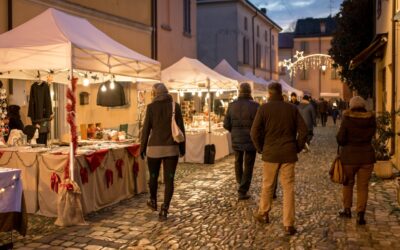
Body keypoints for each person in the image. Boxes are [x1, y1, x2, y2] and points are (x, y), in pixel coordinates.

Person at [251, 82, 308, 235]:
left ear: (269, 93)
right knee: (288, 188)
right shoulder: (291, 108)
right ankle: (288, 224)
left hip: (270, 153)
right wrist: (297, 147)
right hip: (288, 152)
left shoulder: (263, 109)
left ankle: (264, 212)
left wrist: (260, 148)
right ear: (281, 92)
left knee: (268, 185)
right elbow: (304, 130)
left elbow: (254, 132)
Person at [140, 83, 185, 221]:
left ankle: (153, 201)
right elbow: (181, 129)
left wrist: (142, 148)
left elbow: (146, 129)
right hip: (171, 149)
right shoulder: (174, 106)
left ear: (155, 94)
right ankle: (164, 209)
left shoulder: (151, 107)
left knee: (153, 176)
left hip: (154, 150)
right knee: (169, 180)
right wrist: (182, 148)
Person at [336, 96, 376, 225]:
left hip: (349, 157)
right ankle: (360, 215)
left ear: (351, 106)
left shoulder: (347, 119)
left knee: (348, 184)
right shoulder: (371, 118)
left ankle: (347, 210)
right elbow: (372, 135)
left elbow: (341, 139)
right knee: (363, 187)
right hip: (366, 157)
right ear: (363, 106)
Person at [223, 82, 259, 200]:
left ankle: (240, 182)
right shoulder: (255, 106)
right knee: (248, 164)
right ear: (250, 92)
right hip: (250, 139)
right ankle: (242, 189)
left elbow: (226, 124)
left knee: (238, 161)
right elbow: (259, 125)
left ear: (239, 91)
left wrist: (234, 131)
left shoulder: (232, 105)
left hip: (237, 138)